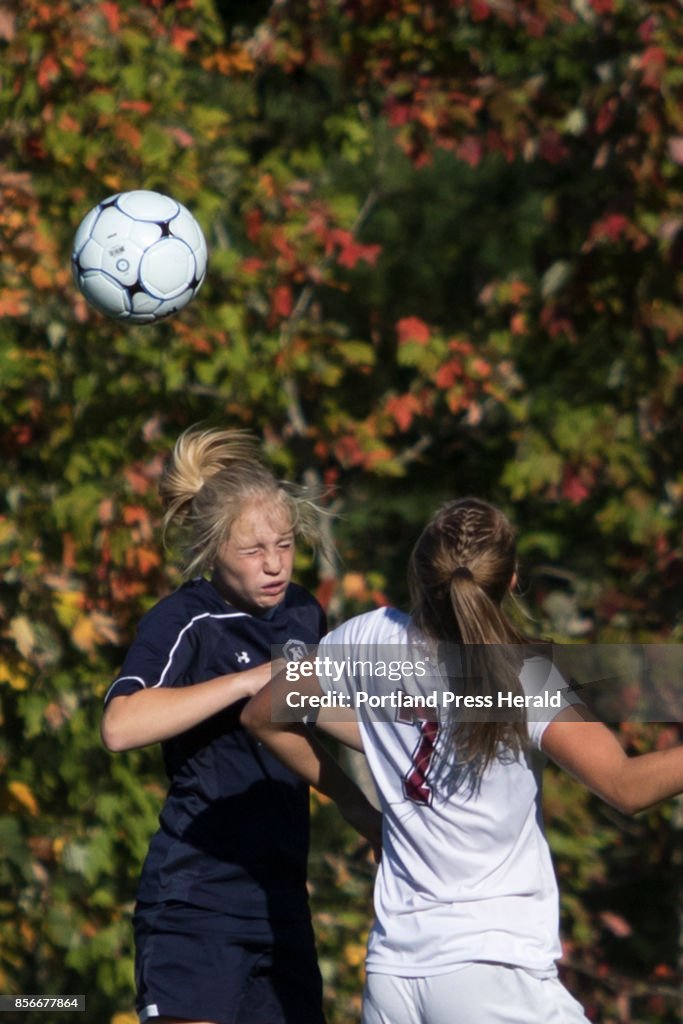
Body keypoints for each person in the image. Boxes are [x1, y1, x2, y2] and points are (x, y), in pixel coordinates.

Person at [242, 497, 683, 1024]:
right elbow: (625, 785)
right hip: (491, 968)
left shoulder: (367, 637)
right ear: (512, 579)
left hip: (393, 975)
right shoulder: (523, 678)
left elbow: (263, 715)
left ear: (418, 572)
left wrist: (355, 806)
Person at [101, 425, 379, 1024]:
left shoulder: (305, 611)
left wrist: (367, 801)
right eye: (253, 551)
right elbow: (120, 726)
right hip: (195, 898)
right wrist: (244, 683)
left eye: (284, 545)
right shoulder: (185, 620)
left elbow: (318, 719)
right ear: (211, 549)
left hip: (281, 899)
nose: (274, 565)